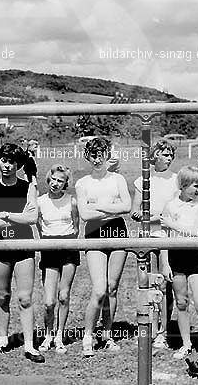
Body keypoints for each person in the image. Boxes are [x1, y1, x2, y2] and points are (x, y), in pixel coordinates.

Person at [0, 144, 42, 362]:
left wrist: (6, 214)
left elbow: (32, 219)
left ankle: (29, 345)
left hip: (24, 246)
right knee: (3, 296)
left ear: (18, 165)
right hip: (0, 247)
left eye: (12, 162)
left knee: (25, 298)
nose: (7, 166)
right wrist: (18, 215)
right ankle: (2, 339)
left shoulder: (28, 188)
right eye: (4, 160)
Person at [75, 137, 131, 357]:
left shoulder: (118, 179)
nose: (97, 159)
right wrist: (112, 208)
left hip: (117, 231)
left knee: (112, 287)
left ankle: (107, 334)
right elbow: (84, 215)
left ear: (108, 155)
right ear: (87, 156)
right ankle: (88, 335)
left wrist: (98, 206)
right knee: (99, 290)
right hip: (94, 233)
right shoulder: (82, 183)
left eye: (101, 154)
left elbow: (126, 206)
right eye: (93, 155)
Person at [160, 166, 198, 362]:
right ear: (183, 186)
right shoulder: (170, 205)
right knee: (181, 302)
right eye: (195, 186)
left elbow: (194, 230)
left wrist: (171, 224)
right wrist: (165, 262)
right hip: (176, 257)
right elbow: (165, 237)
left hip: (197, 256)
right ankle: (186, 344)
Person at [131, 139, 178, 350]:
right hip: (147, 235)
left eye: (171, 155)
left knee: (164, 285)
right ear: (155, 156)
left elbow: (178, 210)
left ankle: (163, 332)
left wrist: (163, 218)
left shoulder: (177, 180)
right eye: (165, 154)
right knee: (146, 285)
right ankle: (148, 326)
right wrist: (145, 216)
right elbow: (134, 211)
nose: (169, 158)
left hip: (167, 236)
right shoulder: (143, 180)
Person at [36, 165, 79, 354]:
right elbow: (38, 225)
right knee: (48, 301)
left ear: (65, 184)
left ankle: (59, 336)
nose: (56, 183)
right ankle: (48, 335)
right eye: (53, 179)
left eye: (60, 181)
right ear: (48, 179)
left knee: (63, 296)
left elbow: (76, 226)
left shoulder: (72, 201)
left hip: (68, 249)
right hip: (49, 249)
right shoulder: (40, 202)